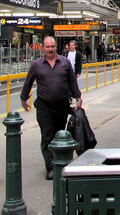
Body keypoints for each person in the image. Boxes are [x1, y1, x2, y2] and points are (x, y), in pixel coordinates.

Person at [20, 36, 82, 180]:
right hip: (44, 106)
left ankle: (60, 163)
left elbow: (72, 81)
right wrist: (24, 99)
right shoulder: (37, 65)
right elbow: (28, 82)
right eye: (47, 47)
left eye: (52, 46)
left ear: (56, 47)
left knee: (59, 134)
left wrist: (78, 97)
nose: (50, 49)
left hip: (61, 105)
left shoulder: (65, 62)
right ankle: (50, 167)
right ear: (43, 48)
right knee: (47, 135)